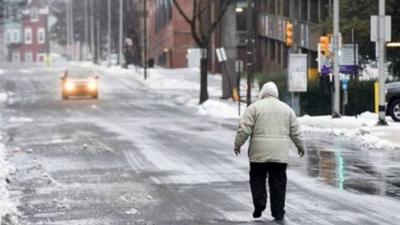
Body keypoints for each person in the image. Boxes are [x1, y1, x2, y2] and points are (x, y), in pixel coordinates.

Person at [233, 82, 305, 222]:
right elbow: (296, 131)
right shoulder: (287, 110)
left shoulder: (254, 108)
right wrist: (301, 146)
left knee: (257, 179)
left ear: (262, 93)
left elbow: (244, 129)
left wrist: (238, 144)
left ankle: (259, 204)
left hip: (258, 154)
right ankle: (278, 212)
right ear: (276, 93)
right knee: (278, 183)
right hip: (279, 155)